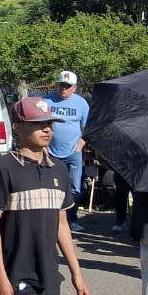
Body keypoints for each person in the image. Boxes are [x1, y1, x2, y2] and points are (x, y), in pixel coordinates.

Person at [0, 97, 90, 295]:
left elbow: (62, 225)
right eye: (38, 124)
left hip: (50, 274)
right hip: (18, 274)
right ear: (17, 127)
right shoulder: (3, 168)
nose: (47, 129)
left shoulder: (59, 169)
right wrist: (0, 276)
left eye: (49, 124)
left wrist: (77, 275)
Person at [42, 70, 90, 232]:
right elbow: (40, 126)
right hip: (50, 152)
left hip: (73, 152)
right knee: (50, 186)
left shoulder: (81, 103)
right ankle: (51, 220)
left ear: (74, 88)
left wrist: (79, 146)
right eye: (61, 85)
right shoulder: (46, 101)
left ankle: (71, 219)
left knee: (74, 187)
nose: (64, 88)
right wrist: (43, 147)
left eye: (68, 86)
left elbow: (86, 128)